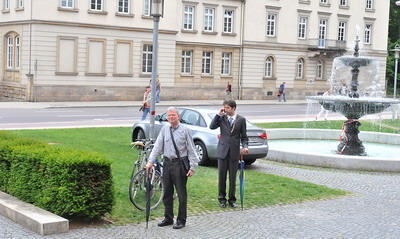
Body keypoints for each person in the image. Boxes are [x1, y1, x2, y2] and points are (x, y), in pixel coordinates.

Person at [146, 107, 199, 229]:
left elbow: (191, 149)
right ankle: (168, 218)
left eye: (173, 115)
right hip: (167, 163)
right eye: (169, 115)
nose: (171, 117)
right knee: (167, 193)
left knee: (181, 194)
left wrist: (193, 167)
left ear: (178, 116)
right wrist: (150, 161)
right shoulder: (164, 129)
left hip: (180, 165)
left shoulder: (185, 130)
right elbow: (158, 146)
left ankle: (181, 220)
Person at [210, 100, 249, 208]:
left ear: (233, 108)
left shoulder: (241, 120)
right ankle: (222, 199)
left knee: (233, 178)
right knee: (222, 177)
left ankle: (232, 200)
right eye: (224, 107)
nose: (225, 109)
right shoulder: (221, 118)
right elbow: (212, 126)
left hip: (234, 153)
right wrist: (218, 114)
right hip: (222, 152)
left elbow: (244, 137)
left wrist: (245, 147)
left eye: (227, 108)